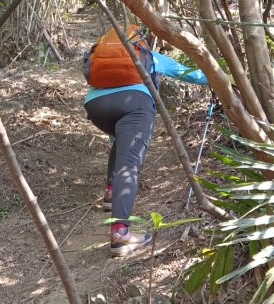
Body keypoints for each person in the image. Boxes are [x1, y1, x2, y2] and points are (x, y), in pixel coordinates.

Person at [82, 26, 208, 257]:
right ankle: (120, 234)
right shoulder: (148, 56)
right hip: (135, 105)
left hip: (95, 106)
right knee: (128, 165)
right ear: (140, 41)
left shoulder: (100, 55)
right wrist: (218, 76)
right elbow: (193, 74)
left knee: (121, 142)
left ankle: (111, 193)